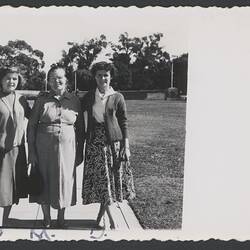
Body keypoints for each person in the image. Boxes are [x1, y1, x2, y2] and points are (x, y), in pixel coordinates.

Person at [27, 65, 84, 228]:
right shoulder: (41, 99)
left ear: (66, 80)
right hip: (43, 147)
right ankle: (46, 218)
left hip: (68, 149)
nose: (56, 81)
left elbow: (80, 130)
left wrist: (79, 152)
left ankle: (61, 217)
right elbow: (31, 126)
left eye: (60, 77)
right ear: (49, 81)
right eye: (52, 78)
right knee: (44, 179)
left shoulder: (74, 100)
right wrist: (32, 151)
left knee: (65, 181)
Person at [81, 61, 135, 229]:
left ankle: (101, 217)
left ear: (110, 77)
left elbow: (124, 122)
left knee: (110, 181)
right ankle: (112, 220)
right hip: (95, 144)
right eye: (99, 75)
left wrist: (125, 147)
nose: (103, 78)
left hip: (114, 144)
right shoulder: (89, 96)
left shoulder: (118, 97)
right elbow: (79, 114)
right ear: (94, 77)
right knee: (102, 182)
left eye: (106, 75)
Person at [0, 67, 30, 227]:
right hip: (1, 151)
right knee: (1, 188)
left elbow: (35, 116)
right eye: (8, 78)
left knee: (10, 189)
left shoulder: (21, 99)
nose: (11, 81)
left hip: (17, 150)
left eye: (15, 79)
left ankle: (4, 222)